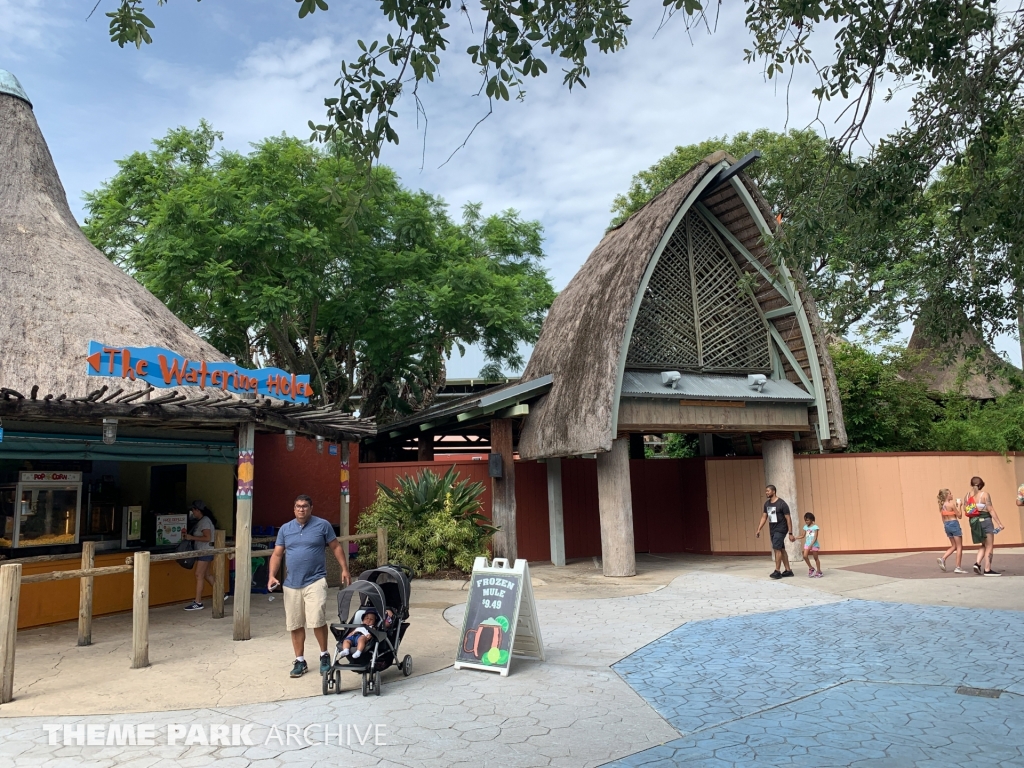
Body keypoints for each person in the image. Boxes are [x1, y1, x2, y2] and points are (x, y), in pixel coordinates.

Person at [268, 495, 352, 678]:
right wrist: (271, 575)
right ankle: (299, 660)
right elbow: (277, 554)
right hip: (291, 584)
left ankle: (324, 655)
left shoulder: (322, 525)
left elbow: (336, 547)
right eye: (298, 506)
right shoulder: (285, 529)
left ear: (311, 508)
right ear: (294, 508)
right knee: (295, 623)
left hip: (315, 580)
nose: (301, 509)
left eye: (305, 506)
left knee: (317, 619)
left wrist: (344, 569)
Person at [961, 476, 1004, 576]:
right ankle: (987, 569)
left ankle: (977, 563)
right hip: (985, 521)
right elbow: (991, 510)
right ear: (981, 484)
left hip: (974, 522)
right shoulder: (984, 495)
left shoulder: (967, 496)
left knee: (983, 544)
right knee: (989, 545)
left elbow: (965, 509)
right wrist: (999, 523)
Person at [182, 500, 217, 611]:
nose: (192, 512)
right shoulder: (202, 521)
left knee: (198, 575)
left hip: (205, 551)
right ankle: (220, 593)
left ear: (197, 510)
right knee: (206, 575)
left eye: (193, 510)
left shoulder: (204, 522)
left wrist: (191, 538)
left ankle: (198, 602)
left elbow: (207, 537)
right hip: (205, 550)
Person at [755, 485, 794, 579]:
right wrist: (759, 529)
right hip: (773, 529)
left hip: (781, 529)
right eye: (766, 491)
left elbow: (788, 518)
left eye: (768, 491)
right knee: (781, 549)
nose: (766, 493)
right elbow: (764, 517)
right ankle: (788, 570)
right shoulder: (767, 504)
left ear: (773, 491)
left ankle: (777, 571)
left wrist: (790, 533)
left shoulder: (782, 504)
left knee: (776, 548)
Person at [936, 489, 966, 574]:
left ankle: (943, 558)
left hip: (947, 525)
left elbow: (943, 519)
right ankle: (958, 567)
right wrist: (959, 505)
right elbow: (959, 516)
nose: (951, 495)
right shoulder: (951, 504)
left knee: (954, 545)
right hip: (954, 524)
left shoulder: (941, 506)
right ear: (946, 496)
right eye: (950, 494)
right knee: (959, 546)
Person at [794, 512, 823, 578]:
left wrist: (811, 545)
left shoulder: (815, 527)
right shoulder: (805, 527)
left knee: (816, 558)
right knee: (805, 556)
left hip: (814, 544)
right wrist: (795, 538)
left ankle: (819, 571)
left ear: (812, 519)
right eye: (805, 520)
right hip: (807, 544)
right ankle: (811, 568)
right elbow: (802, 535)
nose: (806, 521)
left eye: (807, 520)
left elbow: (815, 537)